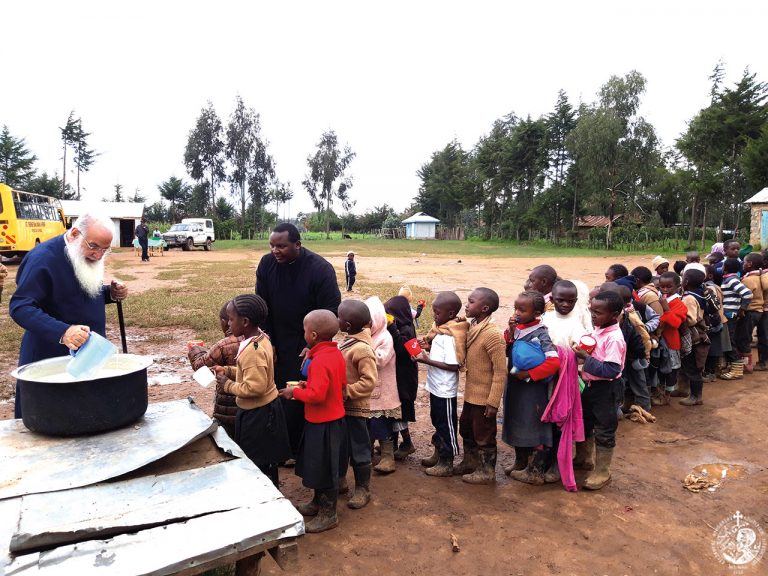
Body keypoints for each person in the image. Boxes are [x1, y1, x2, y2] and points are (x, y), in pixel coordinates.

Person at [10, 211, 128, 418]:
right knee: (50, 424)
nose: (98, 255)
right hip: (50, 359)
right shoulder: (42, 258)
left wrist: (109, 293)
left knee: (89, 419)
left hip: (89, 356)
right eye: (93, 246)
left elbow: (75, 293)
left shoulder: (83, 254)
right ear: (74, 234)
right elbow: (21, 306)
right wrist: (63, 332)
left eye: (105, 249)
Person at [256, 223, 341, 461]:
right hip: (276, 337)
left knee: (301, 391)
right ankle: (282, 446)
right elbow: (262, 305)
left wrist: (315, 345)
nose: (276, 251)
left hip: (309, 341)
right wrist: (267, 339)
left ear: (297, 245)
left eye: (281, 246)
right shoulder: (266, 264)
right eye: (272, 245)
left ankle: (300, 450)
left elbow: (331, 309)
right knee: (277, 390)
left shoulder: (320, 269)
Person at [278, 310, 347, 533]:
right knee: (321, 466)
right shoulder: (334, 354)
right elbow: (338, 385)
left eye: (305, 330)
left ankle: (329, 514)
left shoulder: (319, 362)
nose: (303, 333)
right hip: (330, 420)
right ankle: (318, 502)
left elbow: (318, 396)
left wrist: (294, 393)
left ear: (314, 335)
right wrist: (306, 386)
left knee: (326, 468)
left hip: (323, 422)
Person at [213, 295, 291, 487]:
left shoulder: (252, 351)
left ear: (245, 322)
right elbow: (255, 373)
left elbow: (254, 387)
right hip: (265, 409)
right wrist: (229, 371)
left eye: (231, 319)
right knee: (266, 460)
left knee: (259, 462)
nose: (228, 323)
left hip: (259, 415)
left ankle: (265, 495)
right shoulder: (261, 339)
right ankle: (270, 489)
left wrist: (227, 384)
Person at [502, 290, 561, 485]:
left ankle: (535, 470)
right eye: (515, 308)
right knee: (517, 419)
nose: (517, 313)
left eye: (522, 309)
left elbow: (554, 362)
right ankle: (521, 462)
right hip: (517, 387)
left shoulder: (541, 334)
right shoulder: (519, 328)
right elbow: (508, 347)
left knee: (534, 424)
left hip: (532, 390)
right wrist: (511, 332)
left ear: (536, 313)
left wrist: (529, 374)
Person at [572, 290, 626, 490]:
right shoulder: (598, 330)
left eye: (599, 312)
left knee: (604, 428)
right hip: (590, 386)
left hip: (606, 389)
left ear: (614, 314)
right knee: (585, 422)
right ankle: (584, 457)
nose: (593, 315)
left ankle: (603, 471)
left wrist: (586, 360)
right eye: (591, 310)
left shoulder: (614, 338)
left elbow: (611, 370)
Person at [455, 288, 507, 484]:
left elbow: (500, 372)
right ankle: (470, 462)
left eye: (471, 302)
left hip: (484, 398)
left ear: (484, 308)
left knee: (484, 435)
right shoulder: (473, 326)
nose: (466, 305)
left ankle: (487, 471)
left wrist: (493, 403)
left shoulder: (492, 335)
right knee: (466, 428)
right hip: (471, 395)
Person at [415, 291, 468, 477]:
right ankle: (438, 453)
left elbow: (453, 365)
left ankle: (447, 461)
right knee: (437, 420)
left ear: (451, 314)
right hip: (436, 387)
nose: (435, 316)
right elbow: (440, 353)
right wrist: (428, 347)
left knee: (447, 425)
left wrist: (425, 360)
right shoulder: (441, 332)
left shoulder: (450, 335)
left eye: (438, 313)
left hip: (445, 390)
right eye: (434, 312)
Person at [337, 300, 377, 509]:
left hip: (355, 409)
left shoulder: (362, 349)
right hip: (342, 408)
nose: (336, 320)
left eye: (339, 317)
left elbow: (369, 382)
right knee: (341, 446)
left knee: (359, 449)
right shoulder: (347, 341)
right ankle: (341, 481)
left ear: (348, 325)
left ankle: (363, 488)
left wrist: (347, 392)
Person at [188, 301, 243, 438]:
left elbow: (200, 366)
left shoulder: (223, 345)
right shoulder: (260, 339)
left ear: (225, 322)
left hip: (226, 411)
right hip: (251, 410)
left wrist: (196, 351)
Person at [365, 296, 401, 474]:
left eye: (367, 322)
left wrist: (363, 352)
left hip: (382, 392)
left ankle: (388, 457)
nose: (364, 326)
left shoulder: (385, 338)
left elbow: (380, 360)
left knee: (380, 425)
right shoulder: (366, 336)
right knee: (367, 425)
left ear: (378, 319)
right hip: (369, 393)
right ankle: (366, 454)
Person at [383, 295, 419, 460]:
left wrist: (392, 329)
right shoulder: (405, 326)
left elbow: (406, 352)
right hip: (399, 378)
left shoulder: (407, 330)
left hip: (404, 380)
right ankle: (395, 444)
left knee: (399, 413)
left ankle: (407, 443)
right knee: (395, 413)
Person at [678, 267, 713, 406]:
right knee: (689, 365)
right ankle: (685, 390)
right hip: (698, 333)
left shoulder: (689, 298)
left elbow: (691, 319)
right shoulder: (699, 293)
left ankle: (696, 396)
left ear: (685, 281)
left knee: (692, 366)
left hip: (693, 336)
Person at [654, 272, 688, 405]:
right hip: (660, 341)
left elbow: (675, 323)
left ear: (678, 286)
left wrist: (666, 309)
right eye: (662, 286)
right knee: (661, 368)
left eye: (669, 286)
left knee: (671, 370)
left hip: (671, 343)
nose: (665, 289)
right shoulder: (660, 299)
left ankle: (666, 395)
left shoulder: (678, 303)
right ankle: (661, 392)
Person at [719, 258, 752, 380]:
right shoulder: (730, 278)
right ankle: (733, 367)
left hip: (729, 314)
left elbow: (747, 294)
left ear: (725, 268)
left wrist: (742, 308)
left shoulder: (731, 280)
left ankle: (737, 370)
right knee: (730, 340)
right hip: (729, 313)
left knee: (729, 341)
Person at [736, 253, 764, 374]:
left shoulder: (748, 280)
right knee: (745, 337)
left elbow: (745, 296)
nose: (743, 264)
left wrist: (741, 309)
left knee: (744, 338)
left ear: (750, 264)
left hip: (750, 312)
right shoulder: (759, 277)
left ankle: (747, 365)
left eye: (745, 261)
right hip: (758, 311)